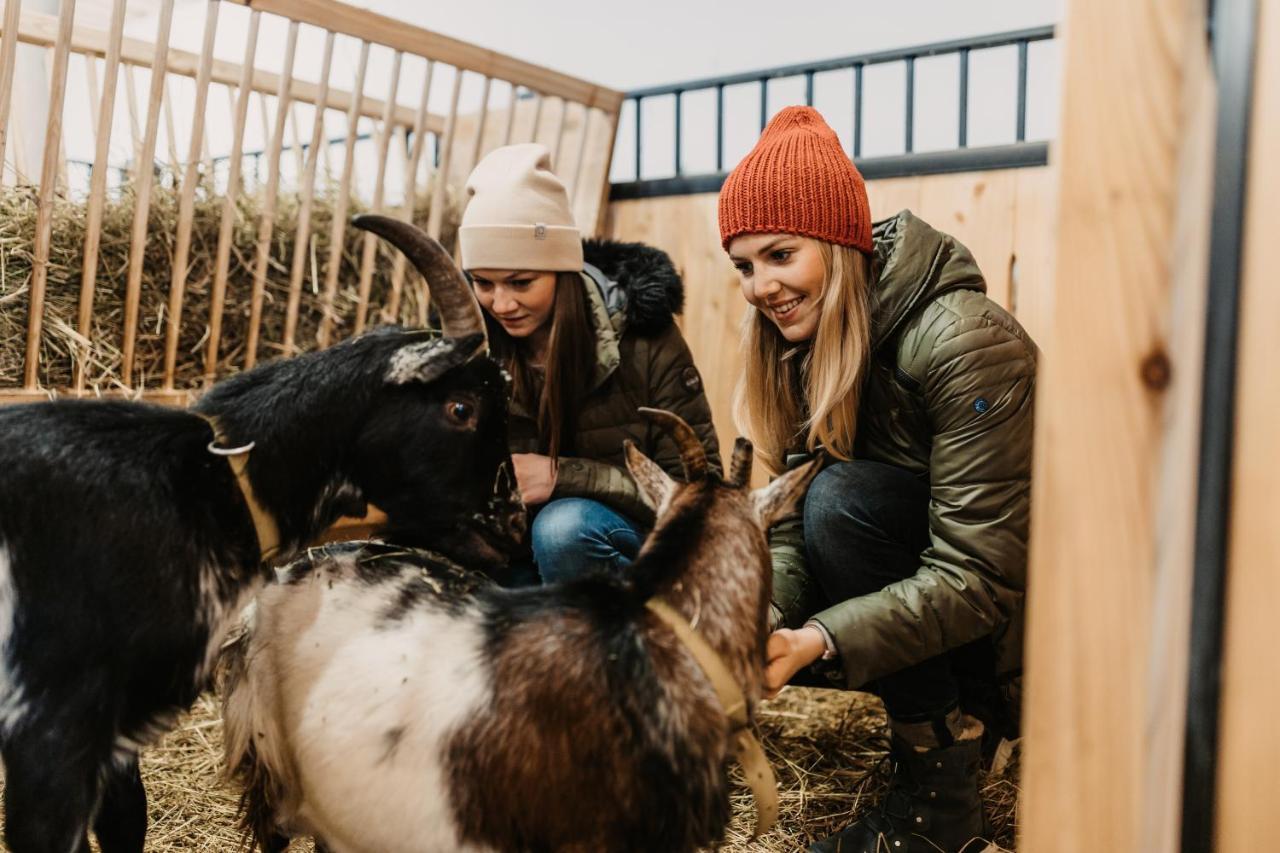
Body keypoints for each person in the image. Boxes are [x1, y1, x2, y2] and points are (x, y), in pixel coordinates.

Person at [719, 106, 1036, 853]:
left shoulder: (963, 338)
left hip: (1015, 618)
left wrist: (822, 638)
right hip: (920, 594)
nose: (760, 286)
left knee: (843, 500)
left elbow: (982, 574)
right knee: (822, 507)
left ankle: (941, 800)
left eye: (779, 254)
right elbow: (792, 523)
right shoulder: (801, 346)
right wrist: (765, 620)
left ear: (836, 240)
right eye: (742, 265)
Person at [457, 143, 719, 585]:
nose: (501, 303)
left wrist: (563, 477)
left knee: (563, 529)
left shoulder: (643, 337)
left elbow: (701, 493)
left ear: (561, 269)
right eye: (483, 283)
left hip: (632, 550)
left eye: (521, 282)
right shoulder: (471, 351)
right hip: (523, 557)